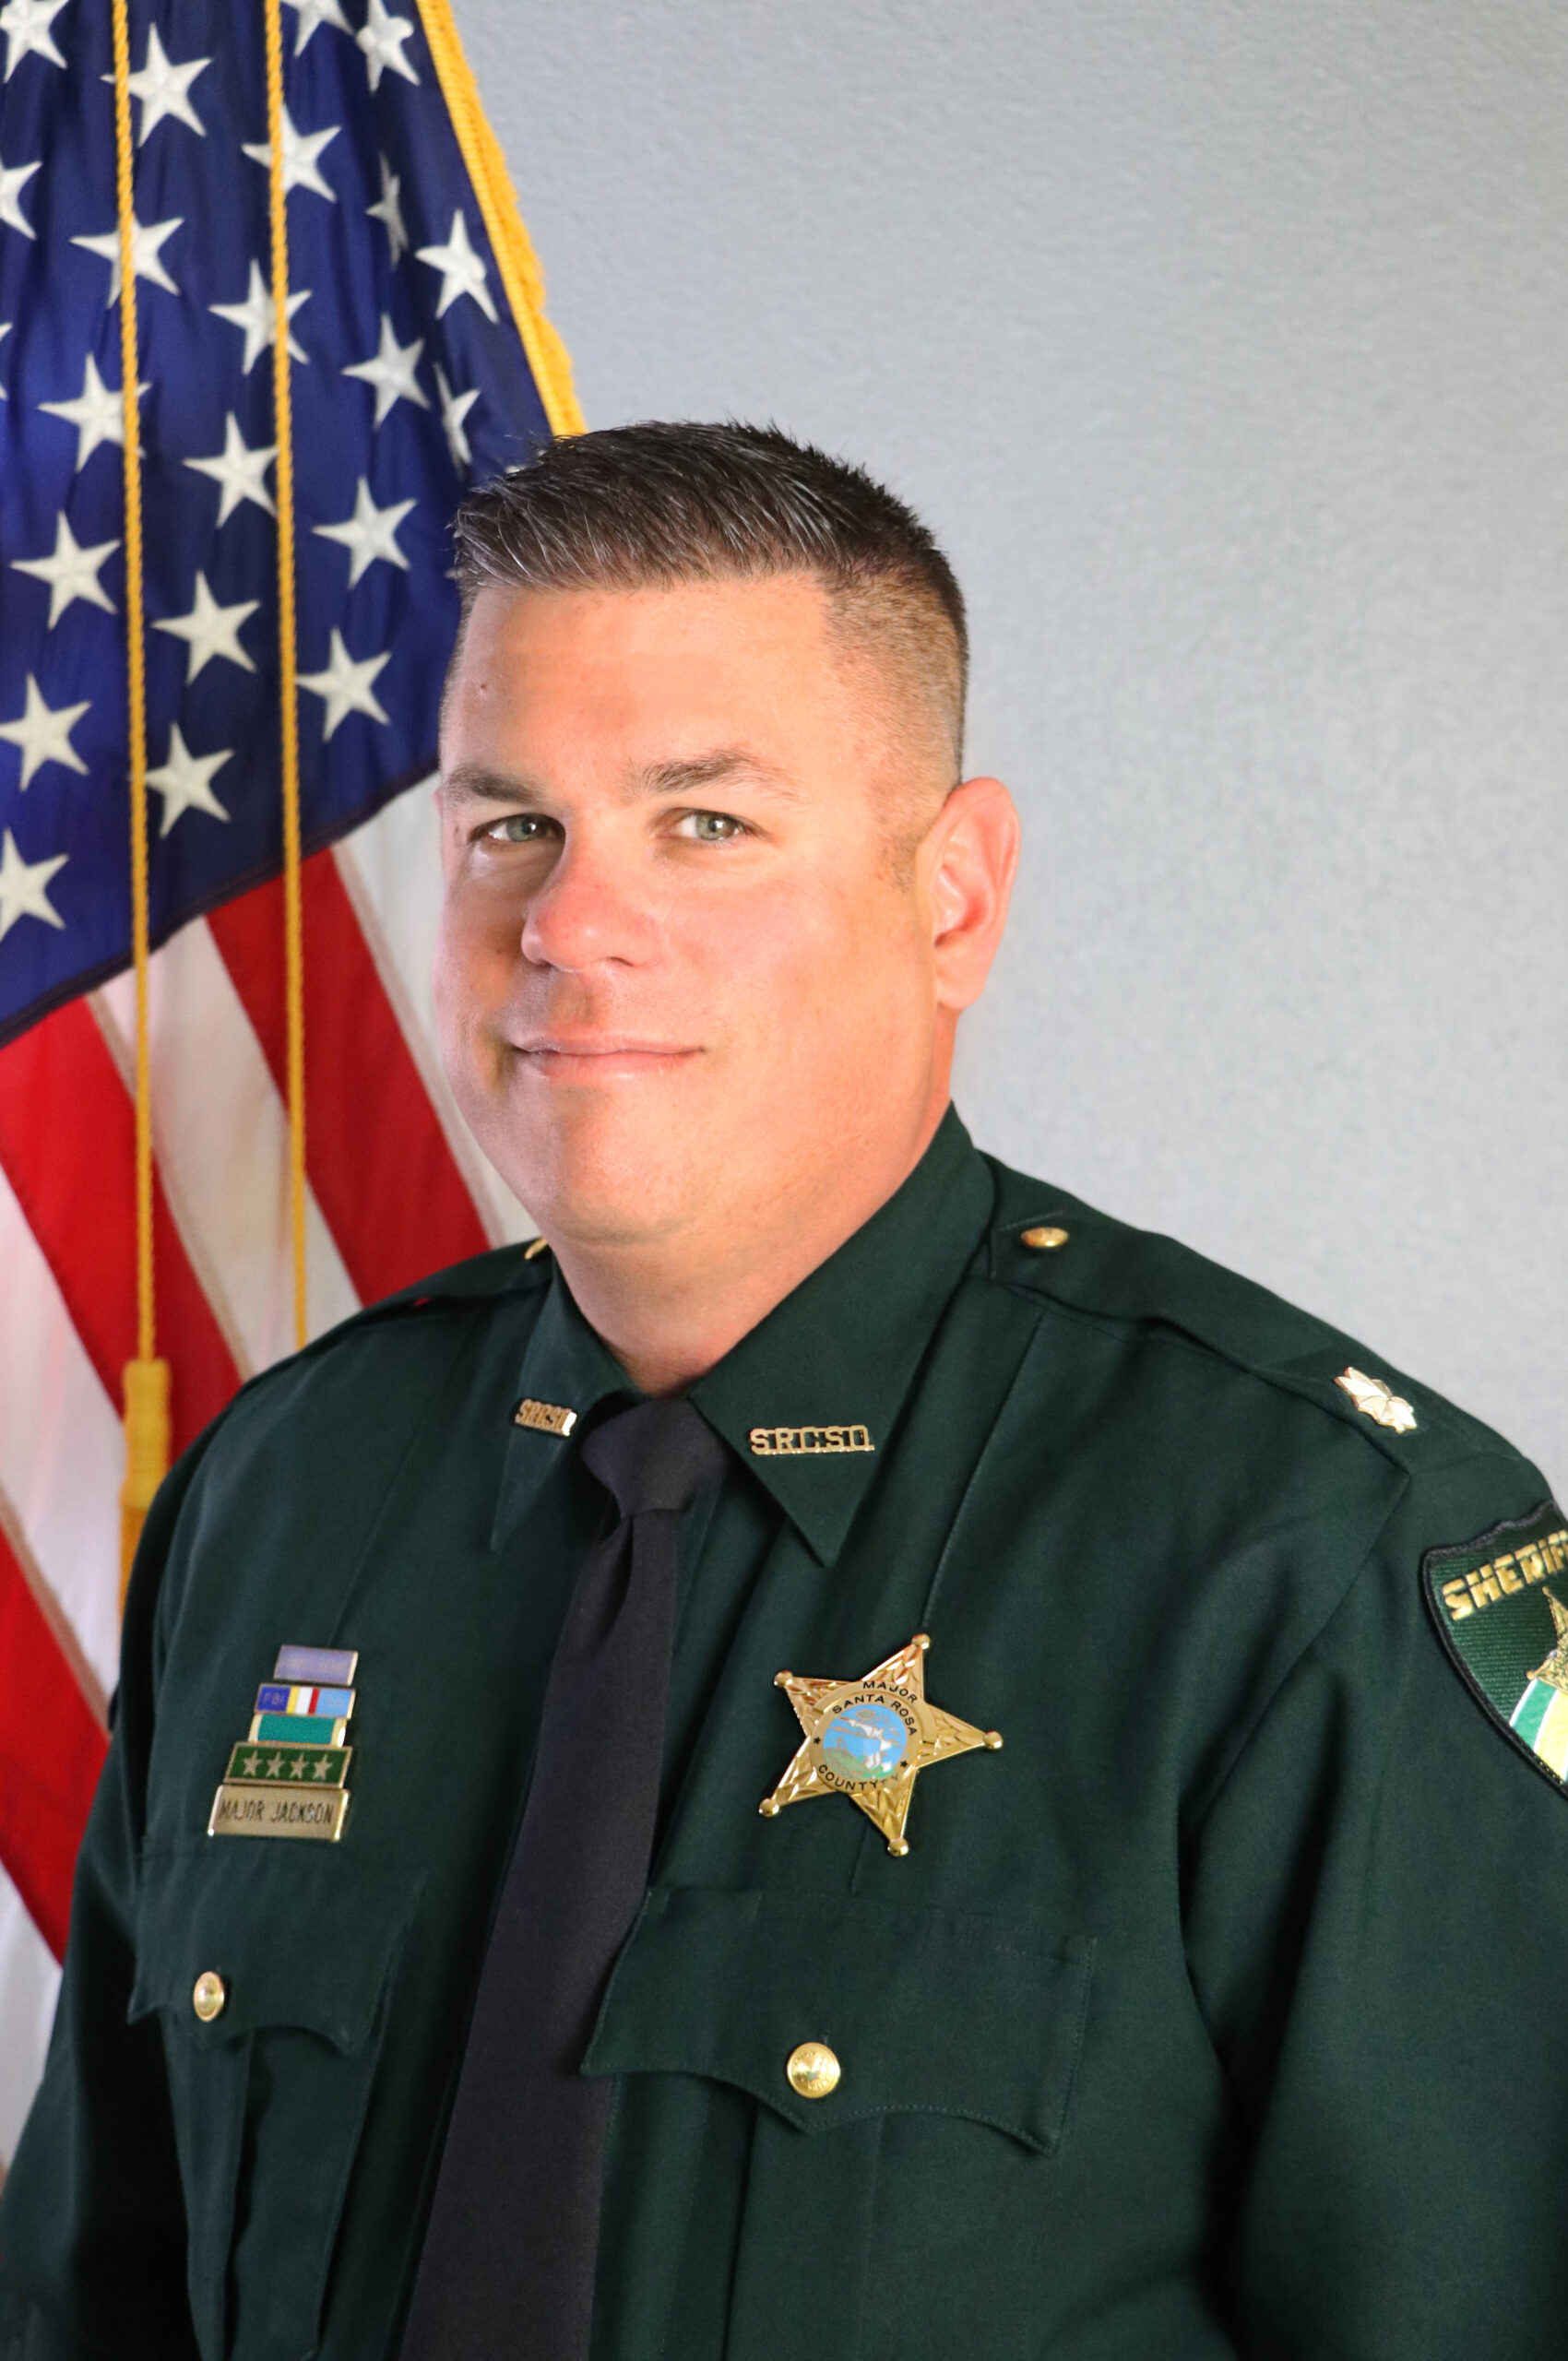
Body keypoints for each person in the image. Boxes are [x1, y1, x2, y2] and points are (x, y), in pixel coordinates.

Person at [2, 422, 1564, 2361]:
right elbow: (89, 2302)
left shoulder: (1303, 1558)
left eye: (703, 823)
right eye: (511, 826)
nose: (568, 925)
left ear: (955, 894)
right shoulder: (283, 1494)